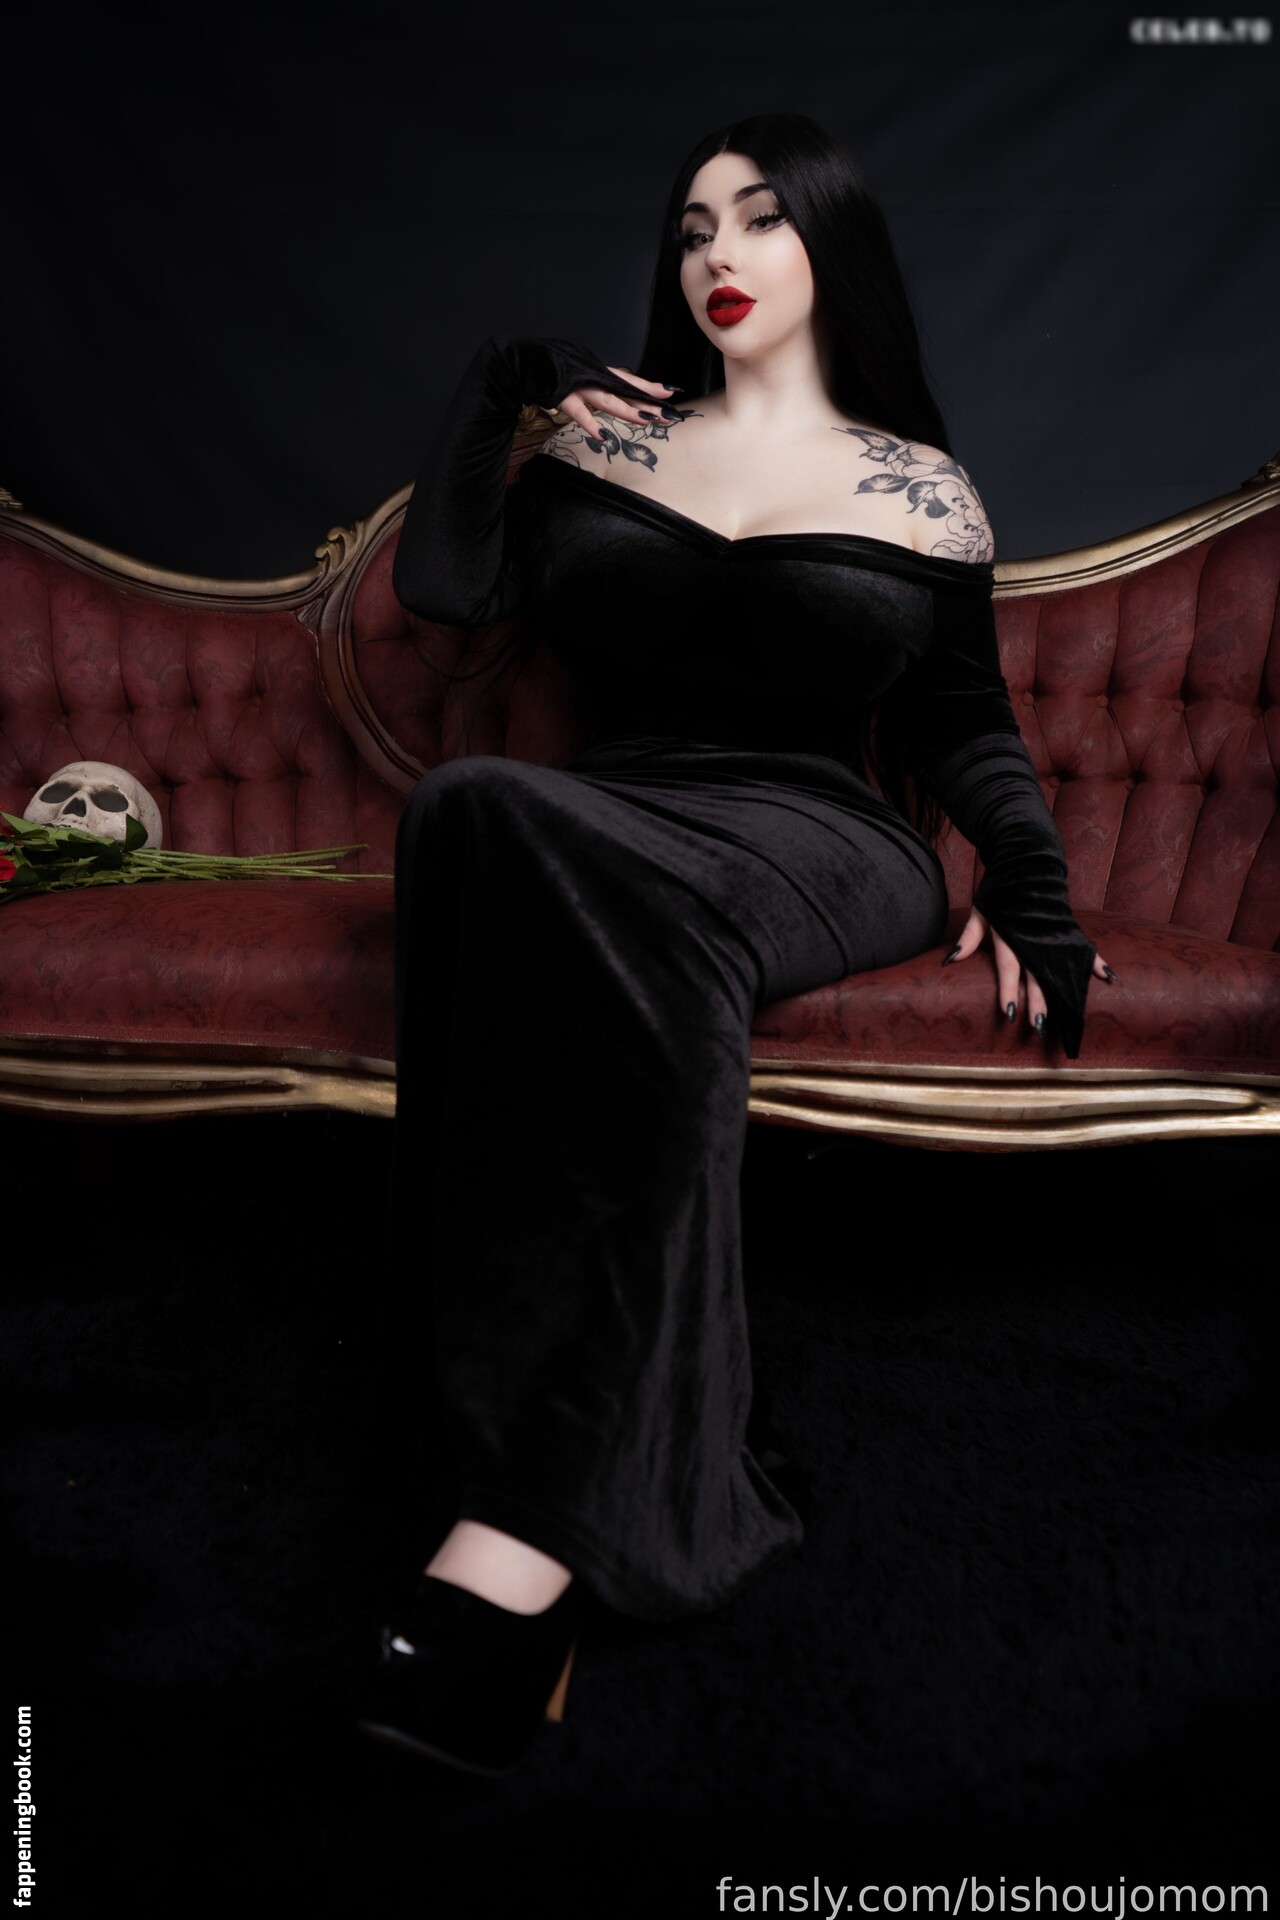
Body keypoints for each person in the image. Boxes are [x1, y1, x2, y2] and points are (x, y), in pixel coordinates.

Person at [357, 112, 1114, 1776]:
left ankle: (519, 1530)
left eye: (760, 220)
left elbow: (965, 722)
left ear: (831, 246)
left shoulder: (921, 487)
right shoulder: (604, 446)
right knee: (468, 809)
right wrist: (505, 388)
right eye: (693, 227)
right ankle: (583, 1460)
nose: (719, 254)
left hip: (827, 839)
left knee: (567, 867)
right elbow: (449, 589)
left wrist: (1035, 890)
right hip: (620, 817)